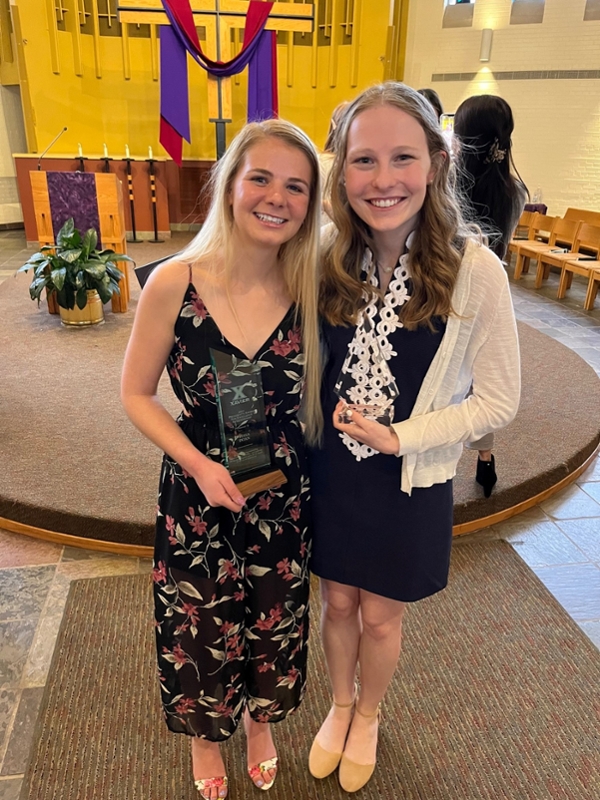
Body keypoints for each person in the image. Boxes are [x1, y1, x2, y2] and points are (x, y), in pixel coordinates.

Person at [307, 82, 520, 793]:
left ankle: (369, 713)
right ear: (342, 172)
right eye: (363, 160)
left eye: (402, 157)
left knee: (380, 617)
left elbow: (499, 398)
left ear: (436, 160)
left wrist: (404, 436)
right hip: (336, 472)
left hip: (409, 477)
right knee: (336, 603)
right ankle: (338, 706)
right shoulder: (329, 253)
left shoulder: (474, 269)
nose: (383, 179)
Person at [121, 119, 322, 800]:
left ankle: (261, 724)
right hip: (197, 485)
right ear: (232, 184)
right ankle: (209, 738)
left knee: (275, 607)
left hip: (282, 488)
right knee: (200, 615)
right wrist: (198, 464)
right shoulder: (175, 282)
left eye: (297, 186)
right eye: (261, 177)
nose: (277, 197)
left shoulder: (310, 288)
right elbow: (135, 394)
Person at [453, 93, 528, 495]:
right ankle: (485, 458)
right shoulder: (514, 192)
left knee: (454, 375)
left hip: (452, 289)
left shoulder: (451, 185)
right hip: (492, 291)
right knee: (483, 382)